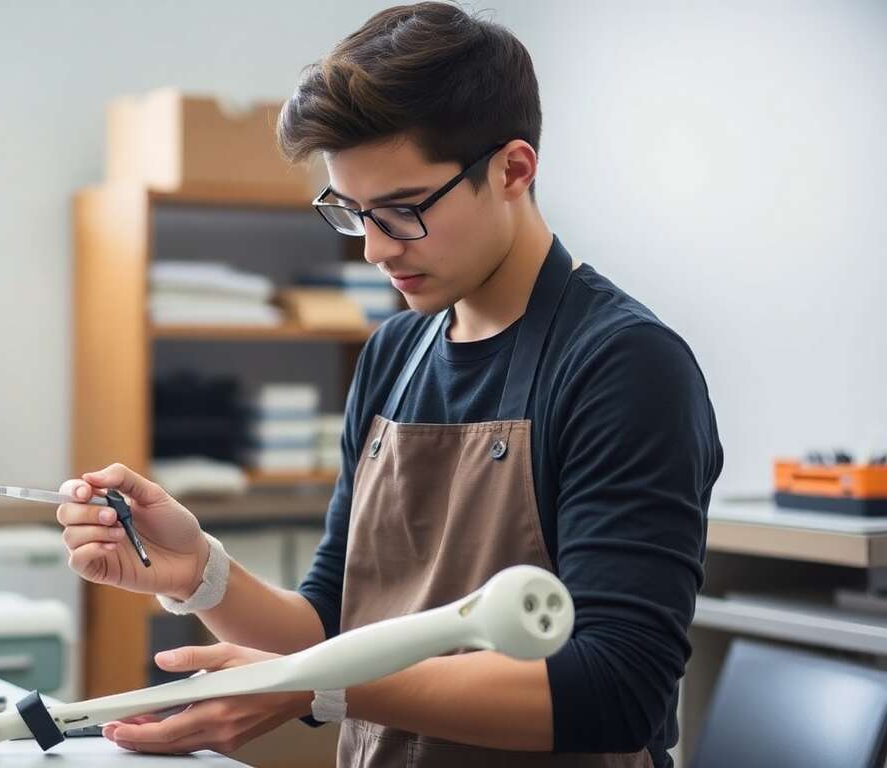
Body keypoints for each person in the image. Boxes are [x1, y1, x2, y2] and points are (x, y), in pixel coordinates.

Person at [57, 3, 722, 765]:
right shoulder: (395, 353)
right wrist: (201, 575)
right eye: (353, 212)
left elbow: (616, 689)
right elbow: (332, 628)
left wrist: (318, 686)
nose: (373, 249)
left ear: (512, 170)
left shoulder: (624, 366)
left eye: (403, 211)